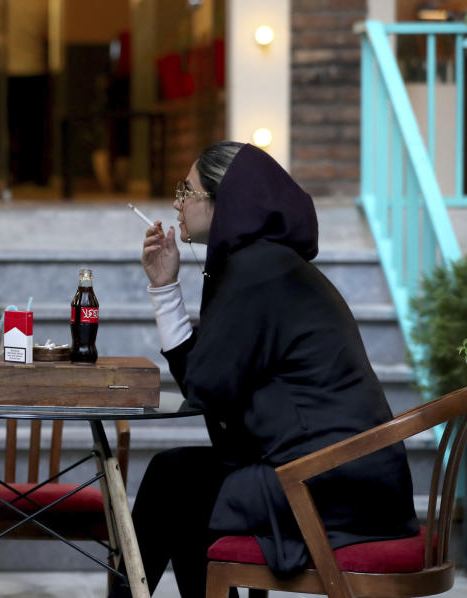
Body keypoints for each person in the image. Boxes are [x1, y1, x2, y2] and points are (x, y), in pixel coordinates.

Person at [121, 142, 418, 598]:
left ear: (227, 201)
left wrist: (164, 293)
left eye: (188, 190)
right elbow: (214, 388)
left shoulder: (257, 269)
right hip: (347, 476)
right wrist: (165, 286)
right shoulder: (267, 263)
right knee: (179, 476)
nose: (177, 202)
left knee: (175, 484)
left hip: (333, 483)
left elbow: (204, 387)